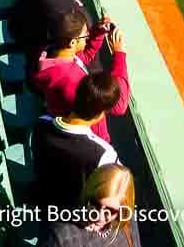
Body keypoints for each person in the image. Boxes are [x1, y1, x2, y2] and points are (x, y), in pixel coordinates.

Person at [34, 11, 130, 143]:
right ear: (72, 42)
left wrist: (98, 32)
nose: (87, 37)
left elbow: (84, 56)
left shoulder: (54, 56)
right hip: (91, 139)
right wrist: (119, 55)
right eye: (85, 36)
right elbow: (119, 105)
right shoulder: (73, 81)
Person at [32, 74, 122, 210]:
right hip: (71, 220)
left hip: (40, 201)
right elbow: (117, 192)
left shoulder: (41, 123)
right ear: (101, 114)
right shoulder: (104, 154)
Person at [40, 165, 142, 247]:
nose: (99, 216)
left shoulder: (127, 223)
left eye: (111, 210)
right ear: (88, 194)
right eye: (95, 204)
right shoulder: (62, 237)